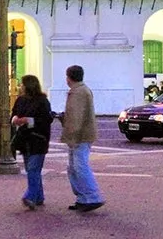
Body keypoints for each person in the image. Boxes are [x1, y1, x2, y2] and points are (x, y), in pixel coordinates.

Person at [63, 65, 105, 212]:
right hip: (83, 134)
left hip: (79, 136)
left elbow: (76, 117)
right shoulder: (82, 90)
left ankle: (91, 196)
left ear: (69, 77)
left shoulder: (77, 92)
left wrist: (72, 136)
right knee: (74, 167)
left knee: (79, 167)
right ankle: (83, 198)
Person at [9, 74, 54, 210]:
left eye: (22, 84)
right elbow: (14, 114)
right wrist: (15, 119)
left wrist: (28, 120)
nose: (20, 87)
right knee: (32, 169)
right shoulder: (20, 100)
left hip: (38, 139)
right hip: (25, 139)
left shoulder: (42, 101)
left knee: (33, 169)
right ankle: (39, 196)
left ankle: (30, 196)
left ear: (29, 85)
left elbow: (47, 120)